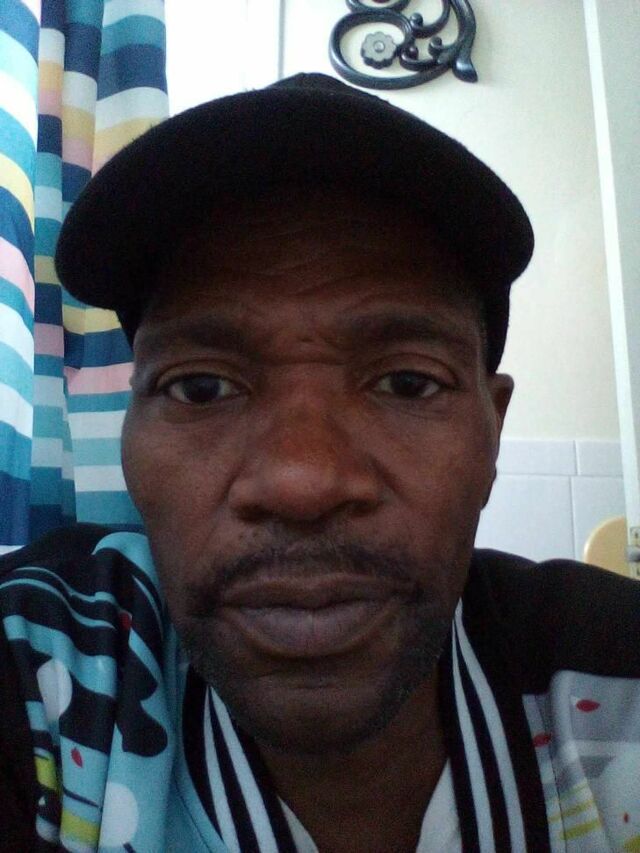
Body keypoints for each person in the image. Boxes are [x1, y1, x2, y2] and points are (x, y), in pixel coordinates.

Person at [1, 73, 639, 853]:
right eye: (201, 387)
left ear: (492, 430)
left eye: (407, 383)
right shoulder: (38, 673)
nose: (302, 481)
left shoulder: (616, 678)